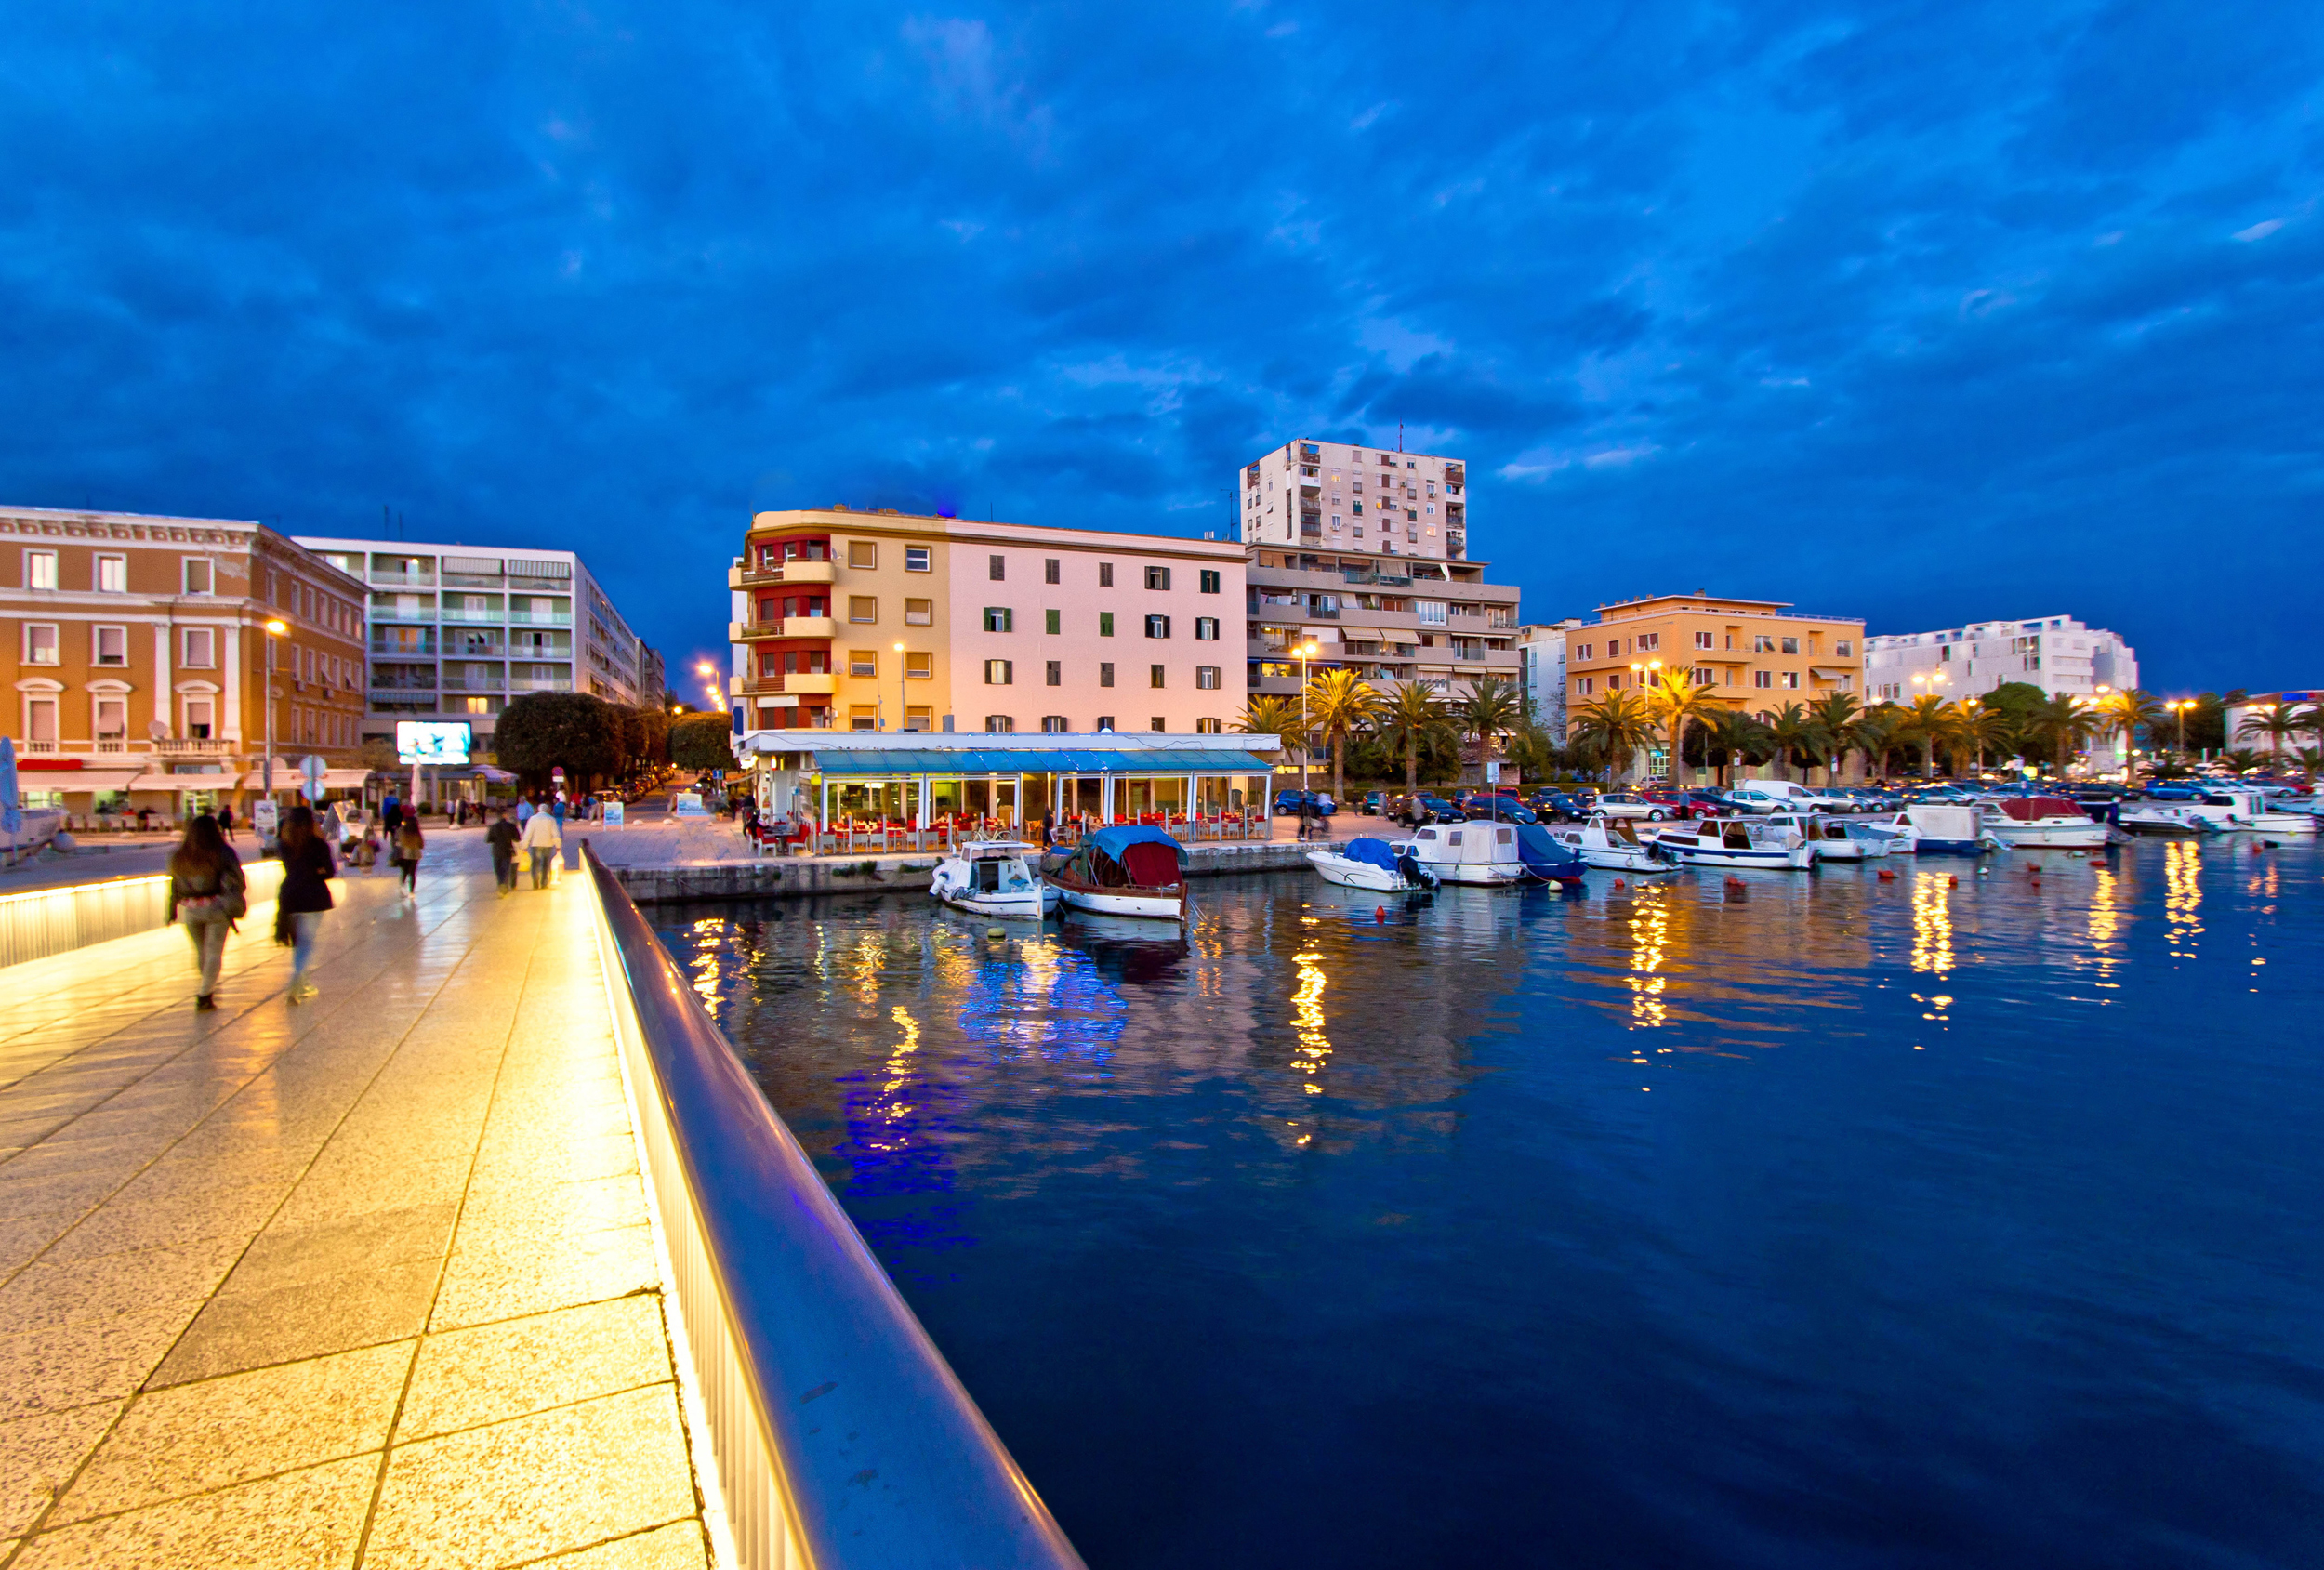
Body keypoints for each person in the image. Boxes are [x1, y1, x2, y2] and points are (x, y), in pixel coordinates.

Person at [167, 813, 245, 1011]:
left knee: (201, 951)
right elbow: (238, 878)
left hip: (190, 910)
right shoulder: (223, 852)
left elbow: (174, 885)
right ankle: (204, 993)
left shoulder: (179, 855)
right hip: (217, 906)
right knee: (214, 951)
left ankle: (207, 986)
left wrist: (171, 911)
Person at [274, 805, 336, 1002]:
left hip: (290, 895)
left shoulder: (284, 845)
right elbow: (329, 872)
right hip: (313, 895)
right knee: (307, 941)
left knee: (299, 942)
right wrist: (316, 871)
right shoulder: (318, 845)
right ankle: (298, 979)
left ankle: (303, 981)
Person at [521, 799, 562, 889]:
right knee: (546, 864)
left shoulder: (532, 819)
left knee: (535, 863)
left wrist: (525, 846)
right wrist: (558, 846)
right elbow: (555, 834)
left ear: (538, 810)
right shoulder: (551, 819)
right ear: (547, 810)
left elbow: (528, 833)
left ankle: (535, 882)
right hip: (548, 844)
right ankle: (544, 883)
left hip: (535, 844)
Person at [486, 807, 521, 896]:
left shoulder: (493, 827)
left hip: (496, 851)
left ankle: (500, 886)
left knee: (498, 870)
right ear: (505, 815)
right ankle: (503, 887)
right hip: (507, 851)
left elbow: (488, 840)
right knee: (505, 870)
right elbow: (517, 839)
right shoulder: (511, 826)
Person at [393, 812, 426, 897]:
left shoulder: (402, 831)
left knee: (404, 871)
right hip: (415, 854)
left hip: (405, 854)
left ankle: (402, 886)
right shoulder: (417, 833)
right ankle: (411, 891)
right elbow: (421, 845)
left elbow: (398, 842)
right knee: (412, 873)